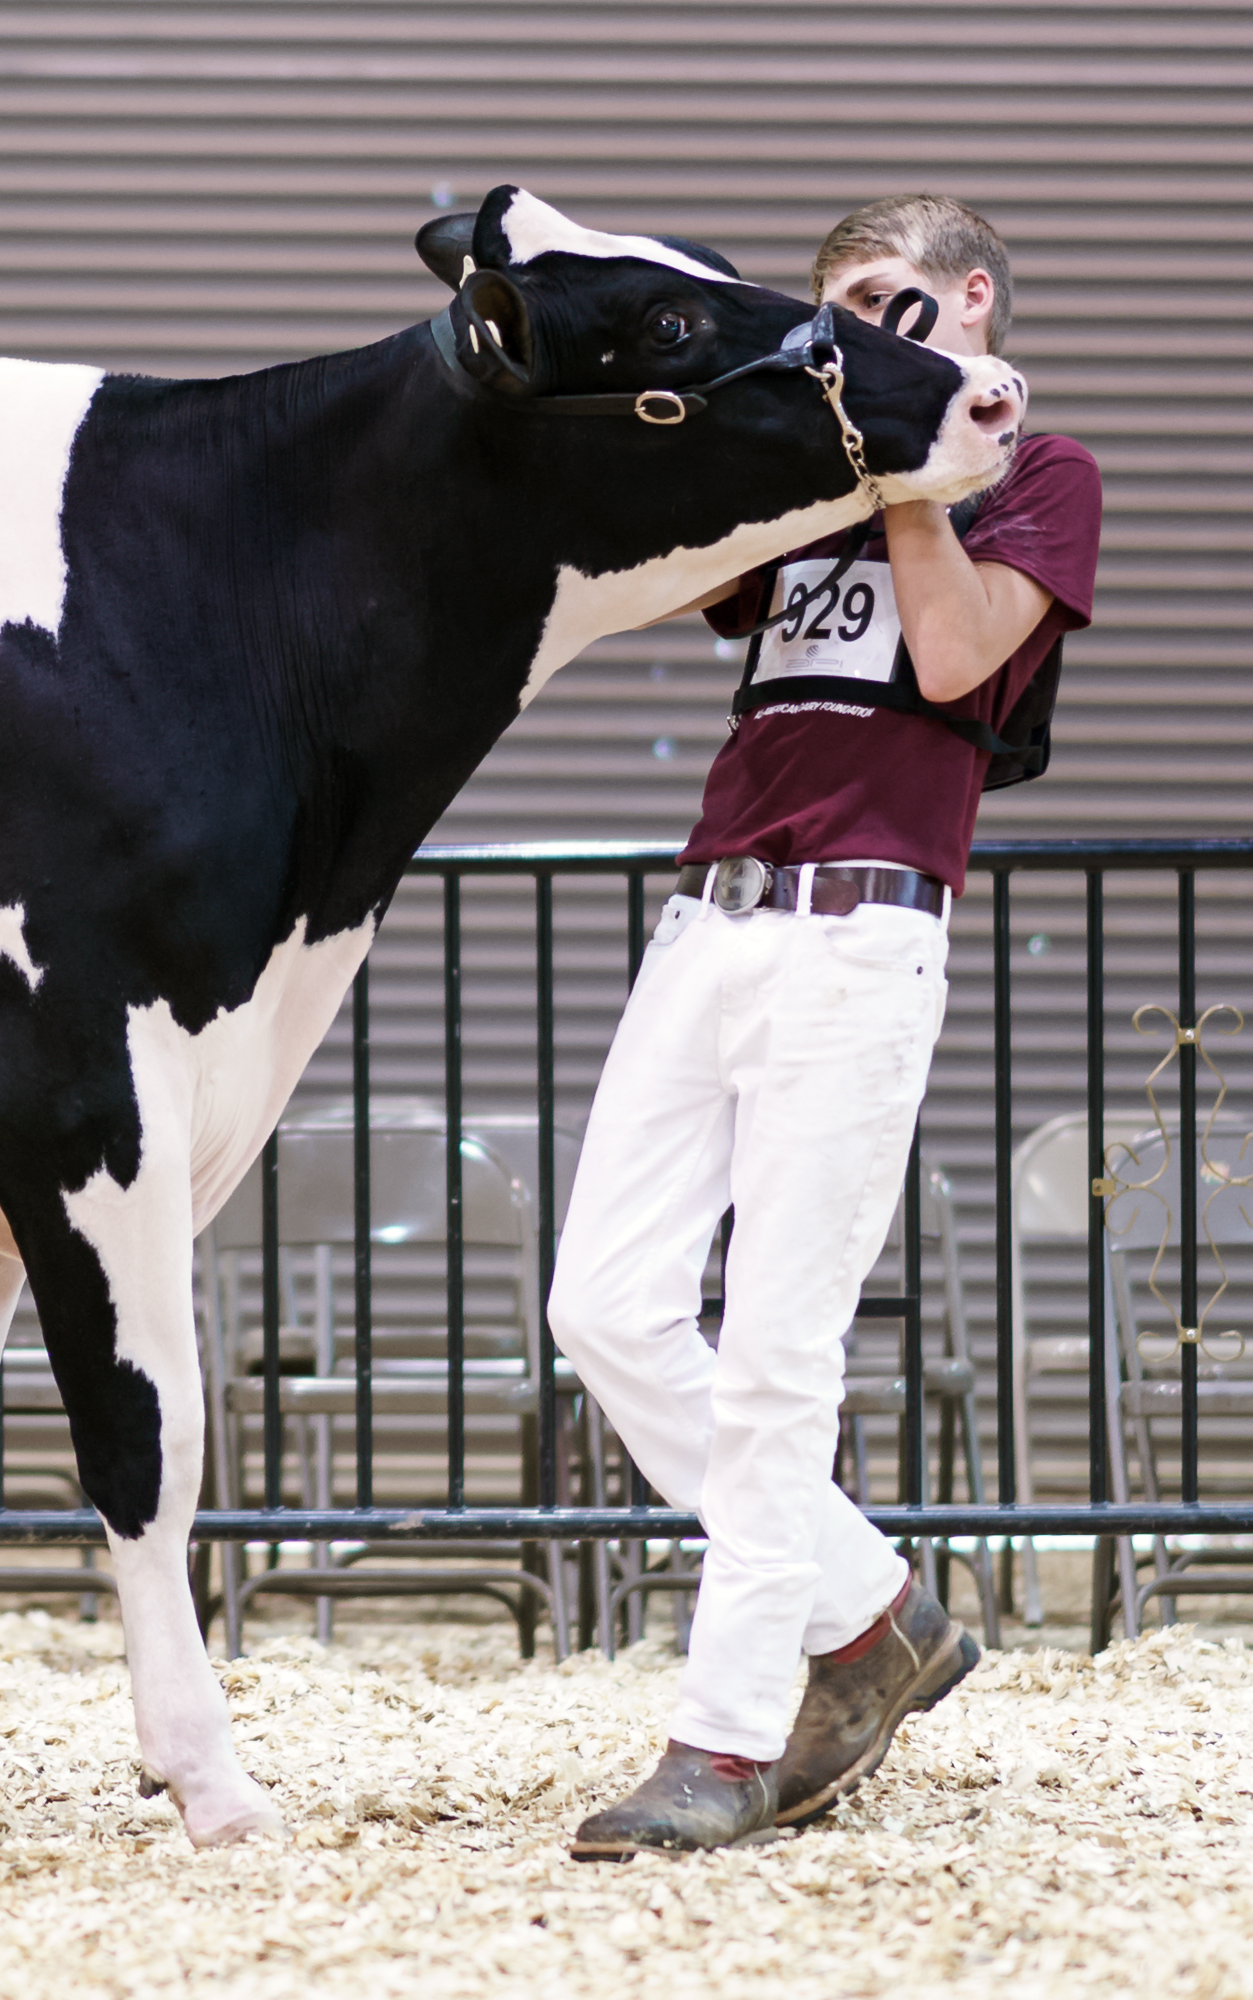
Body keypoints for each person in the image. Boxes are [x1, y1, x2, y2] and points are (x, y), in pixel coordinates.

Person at [550, 194, 1102, 1859]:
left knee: (780, 1357)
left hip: (863, 935)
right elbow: (666, 582)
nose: (864, 324)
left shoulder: (1041, 476)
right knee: (604, 1306)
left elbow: (953, 655)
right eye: (842, 304)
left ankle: (725, 1743)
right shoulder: (823, 472)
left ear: (969, 297)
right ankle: (871, 1614)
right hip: (710, 913)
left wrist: (923, 466)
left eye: (887, 297)